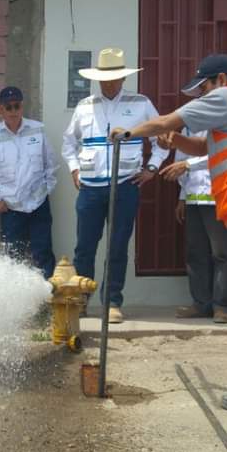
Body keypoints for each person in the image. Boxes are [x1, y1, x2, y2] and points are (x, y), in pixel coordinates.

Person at [109, 53, 227, 411]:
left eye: (204, 88)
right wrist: (175, 142)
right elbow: (205, 147)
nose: (201, 97)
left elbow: (169, 119)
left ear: (221, 80)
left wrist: (130, 132)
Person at [61, 48, 169, 323]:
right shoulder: (85, 105)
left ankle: (112, 303)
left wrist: (152, 168)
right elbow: (68, 142)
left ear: (123, 79)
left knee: (118, 246)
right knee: (84, 246)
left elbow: (162, 139)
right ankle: (82, 301)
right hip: (90, 188)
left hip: (125, 186)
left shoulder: (141, 103)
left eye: (114, 78)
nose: (108, 83)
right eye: (103, 78)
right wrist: (74, 169)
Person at [0, 86, 57, 277]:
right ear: (0, 109)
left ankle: (48, 303)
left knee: (43, 254)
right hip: (10, 210)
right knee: (12, 259)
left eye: (16, 106)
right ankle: (17, 305)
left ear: (22, 107)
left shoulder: (38, 130)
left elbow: (51, 166)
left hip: (39, 206)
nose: (13, 111)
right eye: (8, 107)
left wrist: (45, 192)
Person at [159, 130, 227, 323]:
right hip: (194, 200)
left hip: (219, 199)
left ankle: (222, 306)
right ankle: (201, 304)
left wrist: (188, 164)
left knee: (222, 254)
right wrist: (182, 198)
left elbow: (225, 155)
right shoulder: (187, 130)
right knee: (195, 254)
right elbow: (180, 166)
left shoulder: (224, 124)